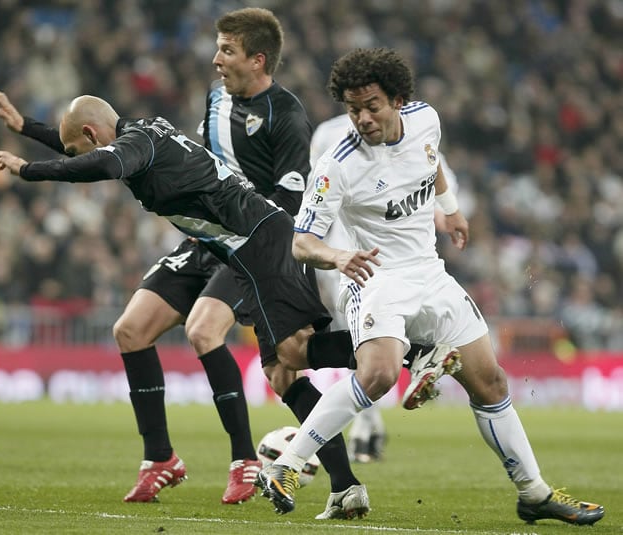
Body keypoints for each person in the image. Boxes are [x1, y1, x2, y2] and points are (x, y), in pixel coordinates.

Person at [257, 48, 605, 526]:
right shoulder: (336, 165)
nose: (362, 118)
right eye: (353, 108)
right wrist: (338, 256)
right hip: (376, 276)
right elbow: (302, 243)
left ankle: (534, 493)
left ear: (399, 100)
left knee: (491, 381)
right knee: (377, 374)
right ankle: (288, 465)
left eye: (372, 106)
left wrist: (451, 206)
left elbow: (430, 160)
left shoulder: (425, 120)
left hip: (430, 272)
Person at [0, 88, 369, 518]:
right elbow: (88, 149)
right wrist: (26, 128)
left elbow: (101, 161)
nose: (77, 154)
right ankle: (344, 485)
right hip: (234, 245)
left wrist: (30, 170)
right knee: (281, 370)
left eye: (78, 147)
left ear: (93, 134)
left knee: (289, 354)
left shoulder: (133, 146)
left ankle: (397, 349)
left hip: (258, 240)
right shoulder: (139, 135)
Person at [310, 114, 464, 461]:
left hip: (399, 259)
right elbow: (318, 195)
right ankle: (415, 363)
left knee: (370, 341)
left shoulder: (415, 127)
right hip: (347, 256)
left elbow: (437, 177)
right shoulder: (330, 137)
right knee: (364, 341)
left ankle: (369, 422)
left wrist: (446, 213)